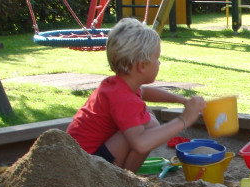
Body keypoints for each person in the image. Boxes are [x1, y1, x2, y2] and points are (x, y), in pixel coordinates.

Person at [66, 18, 206, 173]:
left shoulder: (116, 85)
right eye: (157, 59)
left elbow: (145, 92)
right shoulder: (124, 99)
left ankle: (126, 177)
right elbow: (141, 144)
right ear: (142, 66)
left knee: (147, 118)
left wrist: (182, 100)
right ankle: (126, 179)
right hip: (86, 167)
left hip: (78, 157)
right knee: (146, 127)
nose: (159, 63)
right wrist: (184, 120)